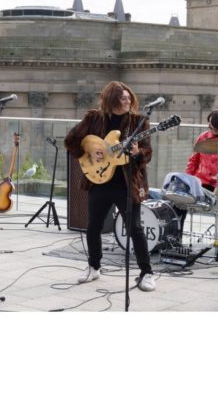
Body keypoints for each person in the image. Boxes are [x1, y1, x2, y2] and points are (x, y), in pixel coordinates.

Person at [64, 81, 156, 291]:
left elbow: (147, 153)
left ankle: (147, 273)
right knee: (93, 226)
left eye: (129, 97)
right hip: (99, 180)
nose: (128, 101)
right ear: (111, 99)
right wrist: (90, 151)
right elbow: (71, 140)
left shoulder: (139, 121)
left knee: (135, 228)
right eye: (123, 98)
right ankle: (94, 267)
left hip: (126, 183)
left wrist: (136, 153)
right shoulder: (94, 118)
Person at [173, 110, 218, 244]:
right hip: (204, 179)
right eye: (209, 124)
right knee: (179, 195)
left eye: (214, 125)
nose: (210, 128)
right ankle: (175, 236)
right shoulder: (203, 137)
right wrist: (188, 180)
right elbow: (193, 161)